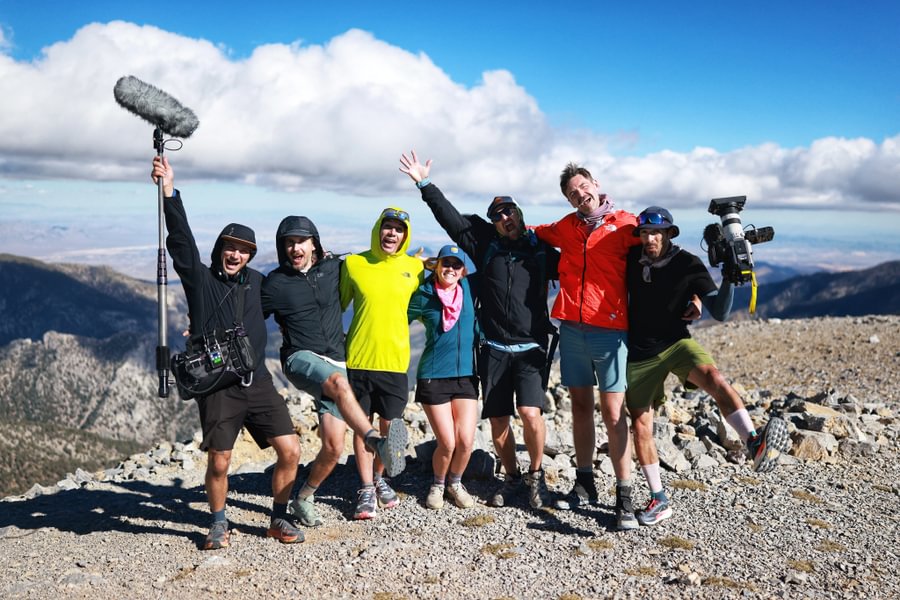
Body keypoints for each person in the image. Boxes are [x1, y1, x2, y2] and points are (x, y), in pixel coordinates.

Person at [151, 155, 302, 549]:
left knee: (290, 450)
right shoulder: (200, 281)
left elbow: (293, 292)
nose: (235, 255)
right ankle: (219, 523)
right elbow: (181, 241)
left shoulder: (257, 282)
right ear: (220, 248)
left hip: (259, 381)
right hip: (218, 385)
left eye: (243, 250)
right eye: (230, 248)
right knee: (220, 460)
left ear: (251, 255)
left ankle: (279, 518)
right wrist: (170, 190)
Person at [400, 151, 559, 510]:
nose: (505, 219)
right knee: (499, 419)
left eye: (510, 212)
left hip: (532, 346)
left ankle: (537, 477)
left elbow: (585, 270)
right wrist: (425, 185)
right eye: (498, 216)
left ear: (520, 214)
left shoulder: (543, 251)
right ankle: (512, 478)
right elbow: (452, 222)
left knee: (532, 414)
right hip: (493, 348)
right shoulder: (485, 244)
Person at [625, 206, 790, 526]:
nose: (649, 239)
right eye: (644, 233)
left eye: (656, 233)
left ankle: (754, 443)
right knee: (641, 426)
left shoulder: (688, 264)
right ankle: (659, 499)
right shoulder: (631, 257)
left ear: (670, 233)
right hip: (639, 354)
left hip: (676, 343)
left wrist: (729, 278)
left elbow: (720, 311)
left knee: (714, 378)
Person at [261, 216, 408, 526]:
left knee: (333, 447)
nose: (294, 247)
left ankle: (303, 497)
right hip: (299, 357)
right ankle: (375, 440)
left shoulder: (333, 268)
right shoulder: (274, 283)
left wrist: (417, 262)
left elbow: (372, 265)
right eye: (288, 242)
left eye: (301, 241)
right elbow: (247, 315)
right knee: (341, 384)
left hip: (336, 361)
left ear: (315, 243)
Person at [532, 162, 642, 530]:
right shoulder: (566, 226)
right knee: (580, 405)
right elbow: (534, 232)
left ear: (596, 184)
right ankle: (585, 483)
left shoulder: (627, 224)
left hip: (611, 331)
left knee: (613, 413)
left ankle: (624, 493)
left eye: (583, 188)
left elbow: (660, 253)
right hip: (572, 329)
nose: (580, 196)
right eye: (572, 194)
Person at [339, 207, 425, 519]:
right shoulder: (354, 263)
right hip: (359, 359)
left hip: (395, 361)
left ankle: (378, 478)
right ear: (378, 229)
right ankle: (365, 488)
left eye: (399, 229)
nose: (392, 234)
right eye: (387, 227)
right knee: (364, 428)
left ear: (406, 235)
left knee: (391, 431)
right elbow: (335, 305)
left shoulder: (416, 269)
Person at [407, 244, 479, 510]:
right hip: (433, 377)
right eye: (445, 263)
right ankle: (438, 484)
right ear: (436, 266)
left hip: (466, 377)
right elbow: (396, 319)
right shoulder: (424, 294)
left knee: (466, 441)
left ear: (463, 271)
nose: (450, 269)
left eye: (456, 265)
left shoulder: (469, 289)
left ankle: (455, 483)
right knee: (447, 442)